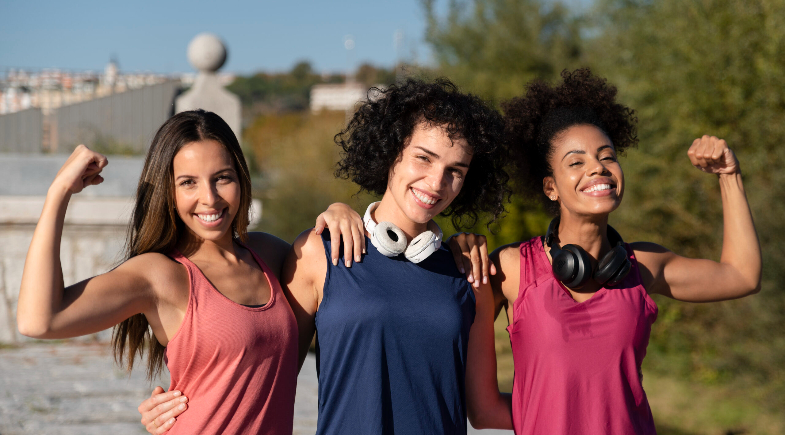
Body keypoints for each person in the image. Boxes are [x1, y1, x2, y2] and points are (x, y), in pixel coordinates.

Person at [139, 78, 510, 434]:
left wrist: (568, 412)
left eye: (454, 171)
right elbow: (264, 373)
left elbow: (485, 410)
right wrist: (178, 407)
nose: (435, 183)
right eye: (423, 158)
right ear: (392, 150)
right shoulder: (320, 253)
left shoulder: (468, 272)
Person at [16, 109, 365, 435]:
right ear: (168, 191)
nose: (209, 198)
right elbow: (38, 320)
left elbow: (335, 287)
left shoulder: (270, 254)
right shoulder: (160, 275)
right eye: (188, 183)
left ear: (241, 179)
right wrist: (59, 192)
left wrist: (338, 209)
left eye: (222, 178)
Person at [452, 68, 762, 434]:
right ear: (550, 187)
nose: (598, 168)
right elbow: (482, 409)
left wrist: (729, 175)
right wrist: (444, 245)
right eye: (576, 162)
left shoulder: (642, 266)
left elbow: (741, 275)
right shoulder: (510, 269)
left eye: (607, 156)